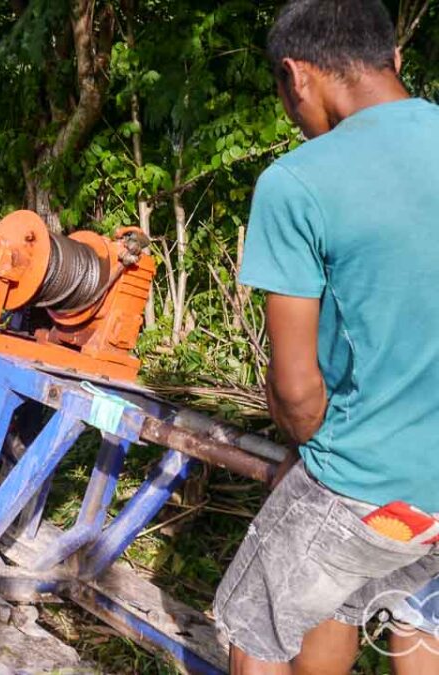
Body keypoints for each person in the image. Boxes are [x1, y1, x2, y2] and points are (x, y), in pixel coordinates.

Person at [213, 1, 439, 673]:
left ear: (297, 76)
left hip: (369, 476)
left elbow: (298, 388)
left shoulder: (298, 183)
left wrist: (309, 458)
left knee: (258, 621)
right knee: (408, 611)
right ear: (394, 61)